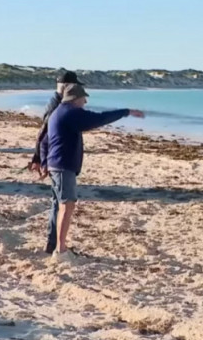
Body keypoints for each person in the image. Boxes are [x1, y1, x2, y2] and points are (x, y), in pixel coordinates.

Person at [40, 83, 144, 261]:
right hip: (63, 166)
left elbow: (44, 141)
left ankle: (56, 246)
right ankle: (61, 251)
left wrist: (43, 162)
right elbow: (99, 119)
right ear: (75, 99)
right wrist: (125, 112)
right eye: (83, 98)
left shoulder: (57, 112)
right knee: (67, 205)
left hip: (56, 165)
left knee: (61, 205)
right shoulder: (71, 112)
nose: (85, 101)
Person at [29, 71, 84, 254]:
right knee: (60, 203)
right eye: (73, 86)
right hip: (57, 162)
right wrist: (39, 160)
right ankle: (54, 244)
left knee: (58, 202)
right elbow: (43, 136)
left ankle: (53, 243)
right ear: (64, 86)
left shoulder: (60, 104)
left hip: (55, 161)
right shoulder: (56, 106)